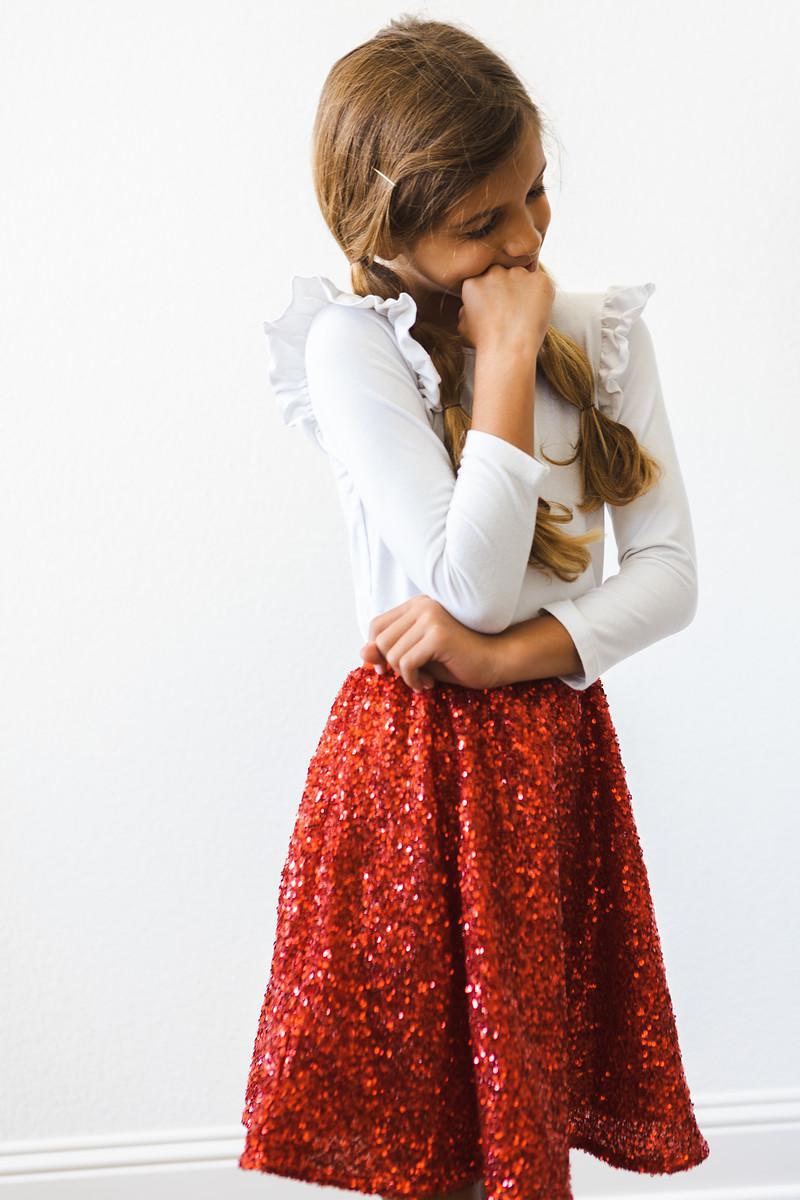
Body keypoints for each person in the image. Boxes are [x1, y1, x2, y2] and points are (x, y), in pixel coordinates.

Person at [238, 16, 710, 1200]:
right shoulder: (356, 351)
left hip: (552, 759)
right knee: (423, 1133)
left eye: (534, 196)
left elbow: (668, 576)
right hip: (411, 777)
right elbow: (468, 583)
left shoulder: (600, 332)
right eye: (480, 222)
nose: (526, 240)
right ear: (383, 235)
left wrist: (509, 665)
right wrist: (500, 363)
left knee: (526, 1113)